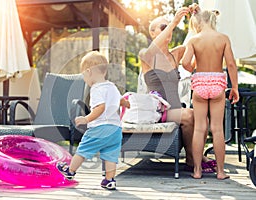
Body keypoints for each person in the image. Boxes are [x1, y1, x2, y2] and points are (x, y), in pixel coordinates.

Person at [139, 5, 216, 172]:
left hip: (174, 109)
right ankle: (191, 159)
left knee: (202, 117)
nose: (169, 30)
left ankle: (198, 155)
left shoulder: (176, 54)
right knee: (189, 115)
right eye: (164, 27)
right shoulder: (146, 55)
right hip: (157, 111)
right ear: (152, 33)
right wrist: (174, 21)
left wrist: (194, 17)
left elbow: (196, 38)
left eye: (169, 27)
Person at [182, 7, 239, 179]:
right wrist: (234, 87)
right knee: (217, 129)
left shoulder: (194, 40)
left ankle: (197, 170)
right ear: (213, 20)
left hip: (199, 82)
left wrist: (193, 67)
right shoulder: (223, 38)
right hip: (217, 83)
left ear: (198, 22)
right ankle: (221, 172)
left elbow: (185, 63)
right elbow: (230, 65)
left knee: (199, 129)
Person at [57, 51, 128, 190]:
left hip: (99, 127)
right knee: (110, 154)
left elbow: (100, 108)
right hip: (115, 128)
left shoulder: (96, 89)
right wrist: (128, 104)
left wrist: (86, 118)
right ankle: (110, 180)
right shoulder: (112, 86)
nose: (84, 79)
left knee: (82, 150)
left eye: (83, 74)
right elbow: (121, 101)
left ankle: (70, 171)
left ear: (89, 72)